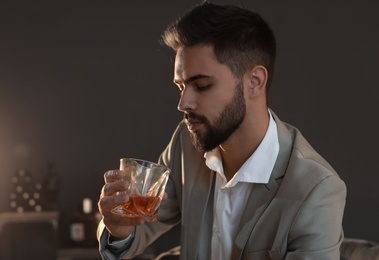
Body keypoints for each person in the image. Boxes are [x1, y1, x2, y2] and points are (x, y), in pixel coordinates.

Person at [97, 2, 346, 259]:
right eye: (181, 86)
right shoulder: (186, 141)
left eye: (202, 85)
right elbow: (140, 225)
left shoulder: (317, 190)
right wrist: (118, 229)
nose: (183, 104)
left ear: (255, 82)